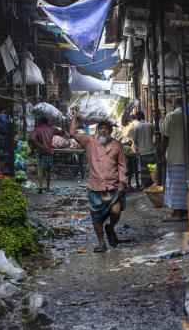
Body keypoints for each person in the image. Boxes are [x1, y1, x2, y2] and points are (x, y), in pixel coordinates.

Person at [70, 107, 126, 252]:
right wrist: (75, 114)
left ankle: (111, 227)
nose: (103, 131)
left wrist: (122, 181)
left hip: (112, 185)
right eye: (100, 128)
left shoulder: (117, 145)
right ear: (97, 130)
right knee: (96, 217)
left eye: (106, 128)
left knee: (116, 210)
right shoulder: (90, 142)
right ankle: (101, 242)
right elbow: (73, 133)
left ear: (110, 131)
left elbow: (121, 165)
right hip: (95, 186)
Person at [160, 96, 189, 222]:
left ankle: (177, 213)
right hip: (186, 158)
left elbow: (165, 138)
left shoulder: (170, 117)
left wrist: (162, 155)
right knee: (184, 186)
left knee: (174, 186)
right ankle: (183, 212)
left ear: (173, 105)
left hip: (173, 157)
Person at [30, 116, 66, 193]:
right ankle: (48, 187)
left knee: (40, 170)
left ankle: (40, 186)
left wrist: (37, 144)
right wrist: (63, 123)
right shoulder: (52, 129)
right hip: (49, 152)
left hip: (41, 152)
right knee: (48, 170)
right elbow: (62, 132)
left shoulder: (37, 129)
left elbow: (32, 138)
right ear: (47, 123)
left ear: (40, 123)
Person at [132, 111, 156, 188]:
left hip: (142, 151)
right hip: (151, 149)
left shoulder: (136, 128)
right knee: (153, 167)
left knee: (144, 169)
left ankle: (144, 184)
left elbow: (135, 140)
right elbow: (155, 134)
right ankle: (154, 182)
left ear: (137, 118)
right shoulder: (150, 125)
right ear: (144, 116)